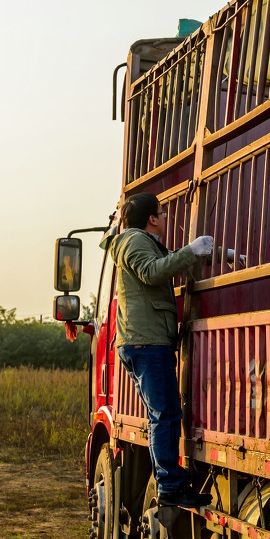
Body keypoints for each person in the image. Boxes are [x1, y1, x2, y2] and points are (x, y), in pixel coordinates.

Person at [105, 192, 215, 508]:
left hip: (148, 340)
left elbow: (170, 260)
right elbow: (153, 272)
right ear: (153, 218)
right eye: (162, 213)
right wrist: (191, 250)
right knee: (164, 414)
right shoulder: (134, 241)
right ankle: (169, 486)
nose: (165, 218)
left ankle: (171, 484)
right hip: (147, 341)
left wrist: (220, 254)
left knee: (164, 413)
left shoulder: (139, 241)